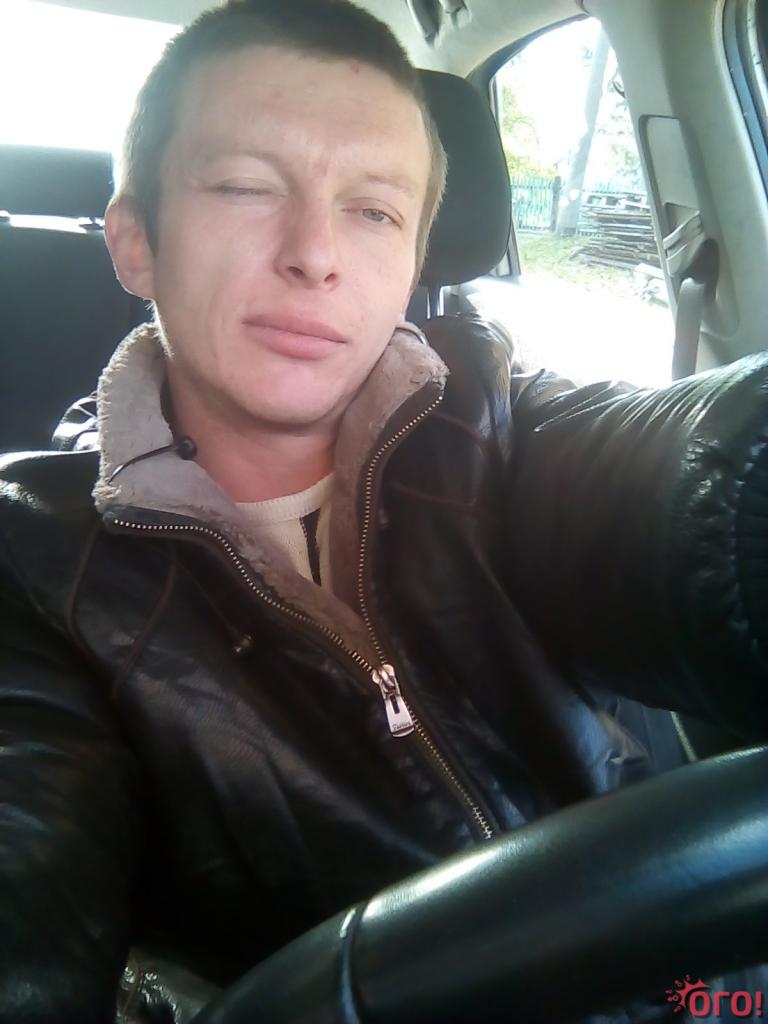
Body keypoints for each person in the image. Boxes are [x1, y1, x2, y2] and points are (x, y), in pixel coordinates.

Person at [0, 0, 766, 1021]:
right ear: (136, 241)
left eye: (374, 211)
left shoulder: (499, 423)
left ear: (413, 262)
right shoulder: (34, 560)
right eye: (245, 186)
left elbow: (707, 487)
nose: (316, 253)